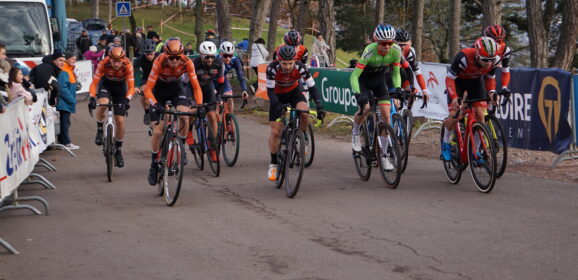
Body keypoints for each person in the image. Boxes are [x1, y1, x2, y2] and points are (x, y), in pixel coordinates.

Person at [144, 38, 203, 186]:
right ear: (165, 54)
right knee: (158, 132)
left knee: (184, 116)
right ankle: (153, 163)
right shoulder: (158, 61)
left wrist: (200, 105)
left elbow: (195, 87)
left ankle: (181, 148)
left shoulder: (187, 62)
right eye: (171, 58)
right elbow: (148, 89)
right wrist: (155, 104)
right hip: (158, 91)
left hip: (176, 89)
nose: (175, 61)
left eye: (178, 57)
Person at [265, 45, 324, 181]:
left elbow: (313, 88)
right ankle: (273, 163)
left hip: (294, 93)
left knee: (304, 113)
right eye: (284, 64)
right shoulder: (272, 68)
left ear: (295, 61)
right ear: (279, 61)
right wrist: (277, 105)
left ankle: (301, 136)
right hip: (277, 96)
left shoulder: (300, 67)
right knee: (275, 132)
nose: (287, 67)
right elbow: (270, 92)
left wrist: (320, 104)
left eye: (290, 63)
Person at [349, 24, 402, 171]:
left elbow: (396, 73)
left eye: (390, 43)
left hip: (380, 81)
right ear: (377, 41)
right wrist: (358, 94)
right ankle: (356, 130)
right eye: (384, 43)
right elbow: (354, 75)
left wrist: (398, 88)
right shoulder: (369, 50)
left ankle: (384, 155)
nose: (387, 46)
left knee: (386, 116)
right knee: (365, 108)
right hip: (364, 81)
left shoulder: (396, 50)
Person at [441, 36, 500, 161]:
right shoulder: (463, 57)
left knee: (480, 115)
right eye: (485, 59)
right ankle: (445, 143)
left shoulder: (494, 61)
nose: (488, 63)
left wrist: (492, 92)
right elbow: (449, 79)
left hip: (475, 82)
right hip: (458, 82)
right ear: (477, 54)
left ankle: (475, 151)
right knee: (457, 115)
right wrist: (455, 97)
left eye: (491, 60)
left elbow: (490, 78)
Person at [88, 45, 135, 168]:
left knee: (120, 121)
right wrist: (92, 97)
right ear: (110, 58)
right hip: (106, 85)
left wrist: (127, 100)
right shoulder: (104, 63)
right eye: (114, 60)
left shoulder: (127, 65)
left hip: (120, 88)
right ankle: (99, 129)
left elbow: (131, 87)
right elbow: (94, 83)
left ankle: (118, 151)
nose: (116, 63)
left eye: (119, 61)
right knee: (103, 103)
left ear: (123, 59)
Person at [192, 41, 225, 145]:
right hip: (193, 87)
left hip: (207, 88)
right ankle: (189, 132)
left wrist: (219, 97)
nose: (210, 59)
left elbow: (221, 83)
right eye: (207, 57)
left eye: (212, 56)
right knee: (190, 112)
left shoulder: (218, 64)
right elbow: (186, 83)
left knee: (212, 115)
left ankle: (212, 144)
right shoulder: (195, 63)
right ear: (201, 55)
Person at [393, 29, 428, 105]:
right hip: (389, 74)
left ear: (410, 43)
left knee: (411, 94)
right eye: (399, 45)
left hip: (402, 73)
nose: (402, 47)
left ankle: (405, 114)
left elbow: (417, 72)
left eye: (405, 45)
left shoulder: (410, 53)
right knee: (395, 101)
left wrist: (424, 90)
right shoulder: (390, 50)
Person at [217, 41, 249, 114]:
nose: (228, 58)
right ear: (220, 53)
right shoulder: (215, 60)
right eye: (225, 55)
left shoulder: (235, 60)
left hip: (223, 79)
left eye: (230, 55)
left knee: (230, 98)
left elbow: (241, 77)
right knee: (215, 110)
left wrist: (244, 90)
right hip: (213, 81)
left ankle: (229, 121)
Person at [56, 52, 80, 150]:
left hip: (66, 101)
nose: (74, 60)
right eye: (72, 58)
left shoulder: (68, 70)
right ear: (67, 59)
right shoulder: (65, 71)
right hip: (64, 102)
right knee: (65, 122)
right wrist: (71, 99)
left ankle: (63, 142)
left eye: (75, 59)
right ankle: (66, 142)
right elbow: (62, 88)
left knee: (65, 122)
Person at [133, 39, 158, 125]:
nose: (149, 56)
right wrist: (136, 86)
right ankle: (147, 112)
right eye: (147, 54)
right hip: (146, 78)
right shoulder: (140, 59)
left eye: (151, 54)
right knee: (143, 92)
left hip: (158, 79)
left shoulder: (160, 57)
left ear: (155, 52)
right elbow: (135, 72)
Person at [484, 25, 511, 98]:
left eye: (500, 40)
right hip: (472, 74)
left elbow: (505, 71)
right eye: (495, 41)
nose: (498, 43)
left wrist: (504, 87)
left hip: (489, 74)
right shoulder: (480, 46)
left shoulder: (505, 50)